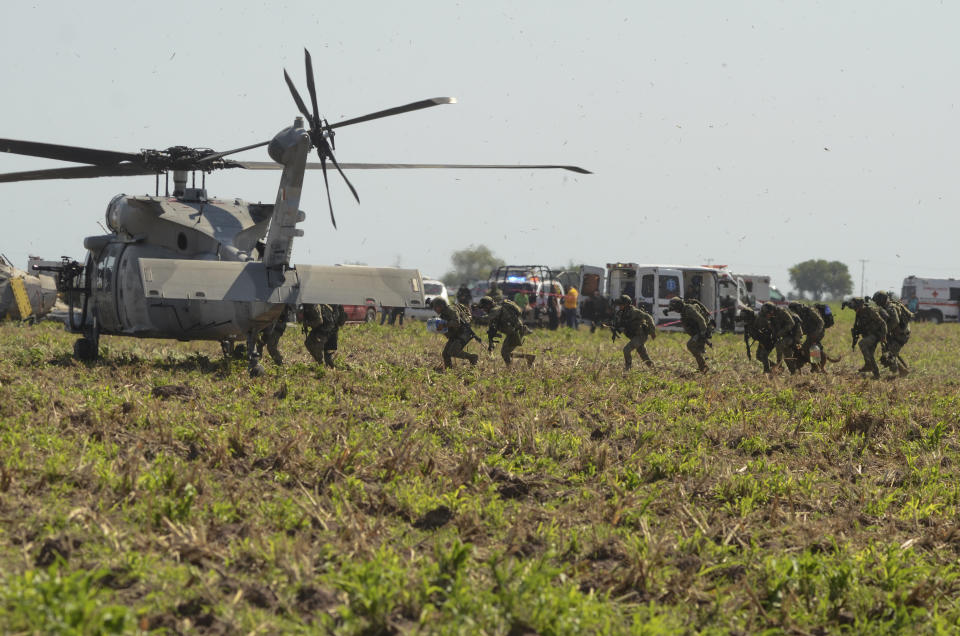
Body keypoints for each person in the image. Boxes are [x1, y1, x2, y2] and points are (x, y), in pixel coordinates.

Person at [479, 296, 535, 366]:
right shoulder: (495, 311)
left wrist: (475, 317)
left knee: (505, 352)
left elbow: (488, 318)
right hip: (513, 332)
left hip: (516, 332)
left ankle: (509, 368)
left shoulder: (496, 309)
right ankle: (529, 357)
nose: (484, 310)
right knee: (506, 352)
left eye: (484, 307)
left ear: (488, 305)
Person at [843, 297, 887, 379]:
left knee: (862, 343)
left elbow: (883, 323)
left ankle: (868, 364)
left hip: (876, 335)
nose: (855, 310)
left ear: (860, 305)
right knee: (870, 354)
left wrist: (883, 337)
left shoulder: (870, 311)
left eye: (856, 308)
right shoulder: (859, 313)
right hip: (868, 335)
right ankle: (877, 375)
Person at [431, 297, 479, 369]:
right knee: (445, 354)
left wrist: (444, 324)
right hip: (455, 334)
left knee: (453, 352)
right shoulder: (443, 314)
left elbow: (456, 323)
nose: (435, 309)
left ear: (441, 306)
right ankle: (449, 369)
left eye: (436, 307)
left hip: (464, 333)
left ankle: (472, 357)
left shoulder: (451, 310)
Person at [666, 297, 711, 373]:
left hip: (701, 330)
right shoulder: (684, 308)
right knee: (699, 349)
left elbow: (701, 319)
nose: (676, 311)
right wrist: (667, 310)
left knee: (690, 345)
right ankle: (703, 367)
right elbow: (676, 308)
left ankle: (703, 366)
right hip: (698, 331)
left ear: (678, 307)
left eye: (675, 309)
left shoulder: (689, 309)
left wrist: (703, 333)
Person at [612, 295, 656, 370]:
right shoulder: (621, 314)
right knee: (643, 355)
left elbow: (648, 317)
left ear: (626, 304)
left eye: (621, 304)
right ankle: (654, 369)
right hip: (633, 336)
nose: (619, 306)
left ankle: (627, 369)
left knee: (626, 350)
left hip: (640, 336)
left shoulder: (634, 312)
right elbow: (621, 325)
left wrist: (652, 332)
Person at [873, 291, 911, 377]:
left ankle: (901, 373)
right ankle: (904, 370)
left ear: (881, 300)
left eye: (877, 302)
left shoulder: (890, 308)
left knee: (888, 356)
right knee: (889, 353)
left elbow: (895, 321)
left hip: (901, 336)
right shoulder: (887, 307)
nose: (877, 304)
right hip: (896, 334)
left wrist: (884, 331)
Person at [759, 302, 804, 374]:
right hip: (786, 335)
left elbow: (791, 323)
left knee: (779, 345)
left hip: (794, 334)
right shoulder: (771, 317)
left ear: (771, 311)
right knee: (787, 355)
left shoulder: (782, 312)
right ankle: (794, 372)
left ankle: (778, 366)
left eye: (767, 313)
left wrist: (780, 333)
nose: (766, 316)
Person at [301, 303, 347, 368]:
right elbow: (341, 321)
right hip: (333, 332)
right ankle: (329, 365)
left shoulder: (315, 303)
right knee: (328, 354)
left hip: (324, 332)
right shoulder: (336, 303)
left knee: (309, 343)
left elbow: (318, 321)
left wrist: (307, 323)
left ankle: (322, 365)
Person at [739, 307, 779, 373]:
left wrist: (767, 337)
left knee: (763, 356)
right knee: (758, 356)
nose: (745, 320)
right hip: (762, 341)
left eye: (745, 318)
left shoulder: (759, 321)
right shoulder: (748, 325)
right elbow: (746, 338)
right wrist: (748, 350)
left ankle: (767, 371)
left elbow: (770, 330)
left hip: (769, 340)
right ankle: (776, 366)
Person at [788, 301, 825, 372]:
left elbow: (821, 322)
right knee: (808, 347)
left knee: (806, 347)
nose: (793, 312)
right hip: (810, 332)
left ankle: (815, 366)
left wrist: (816, 333)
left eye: (793, 310)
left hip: (819, 331)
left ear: (797, 308)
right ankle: (815, 365)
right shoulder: (799, 314)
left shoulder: (809, 311)